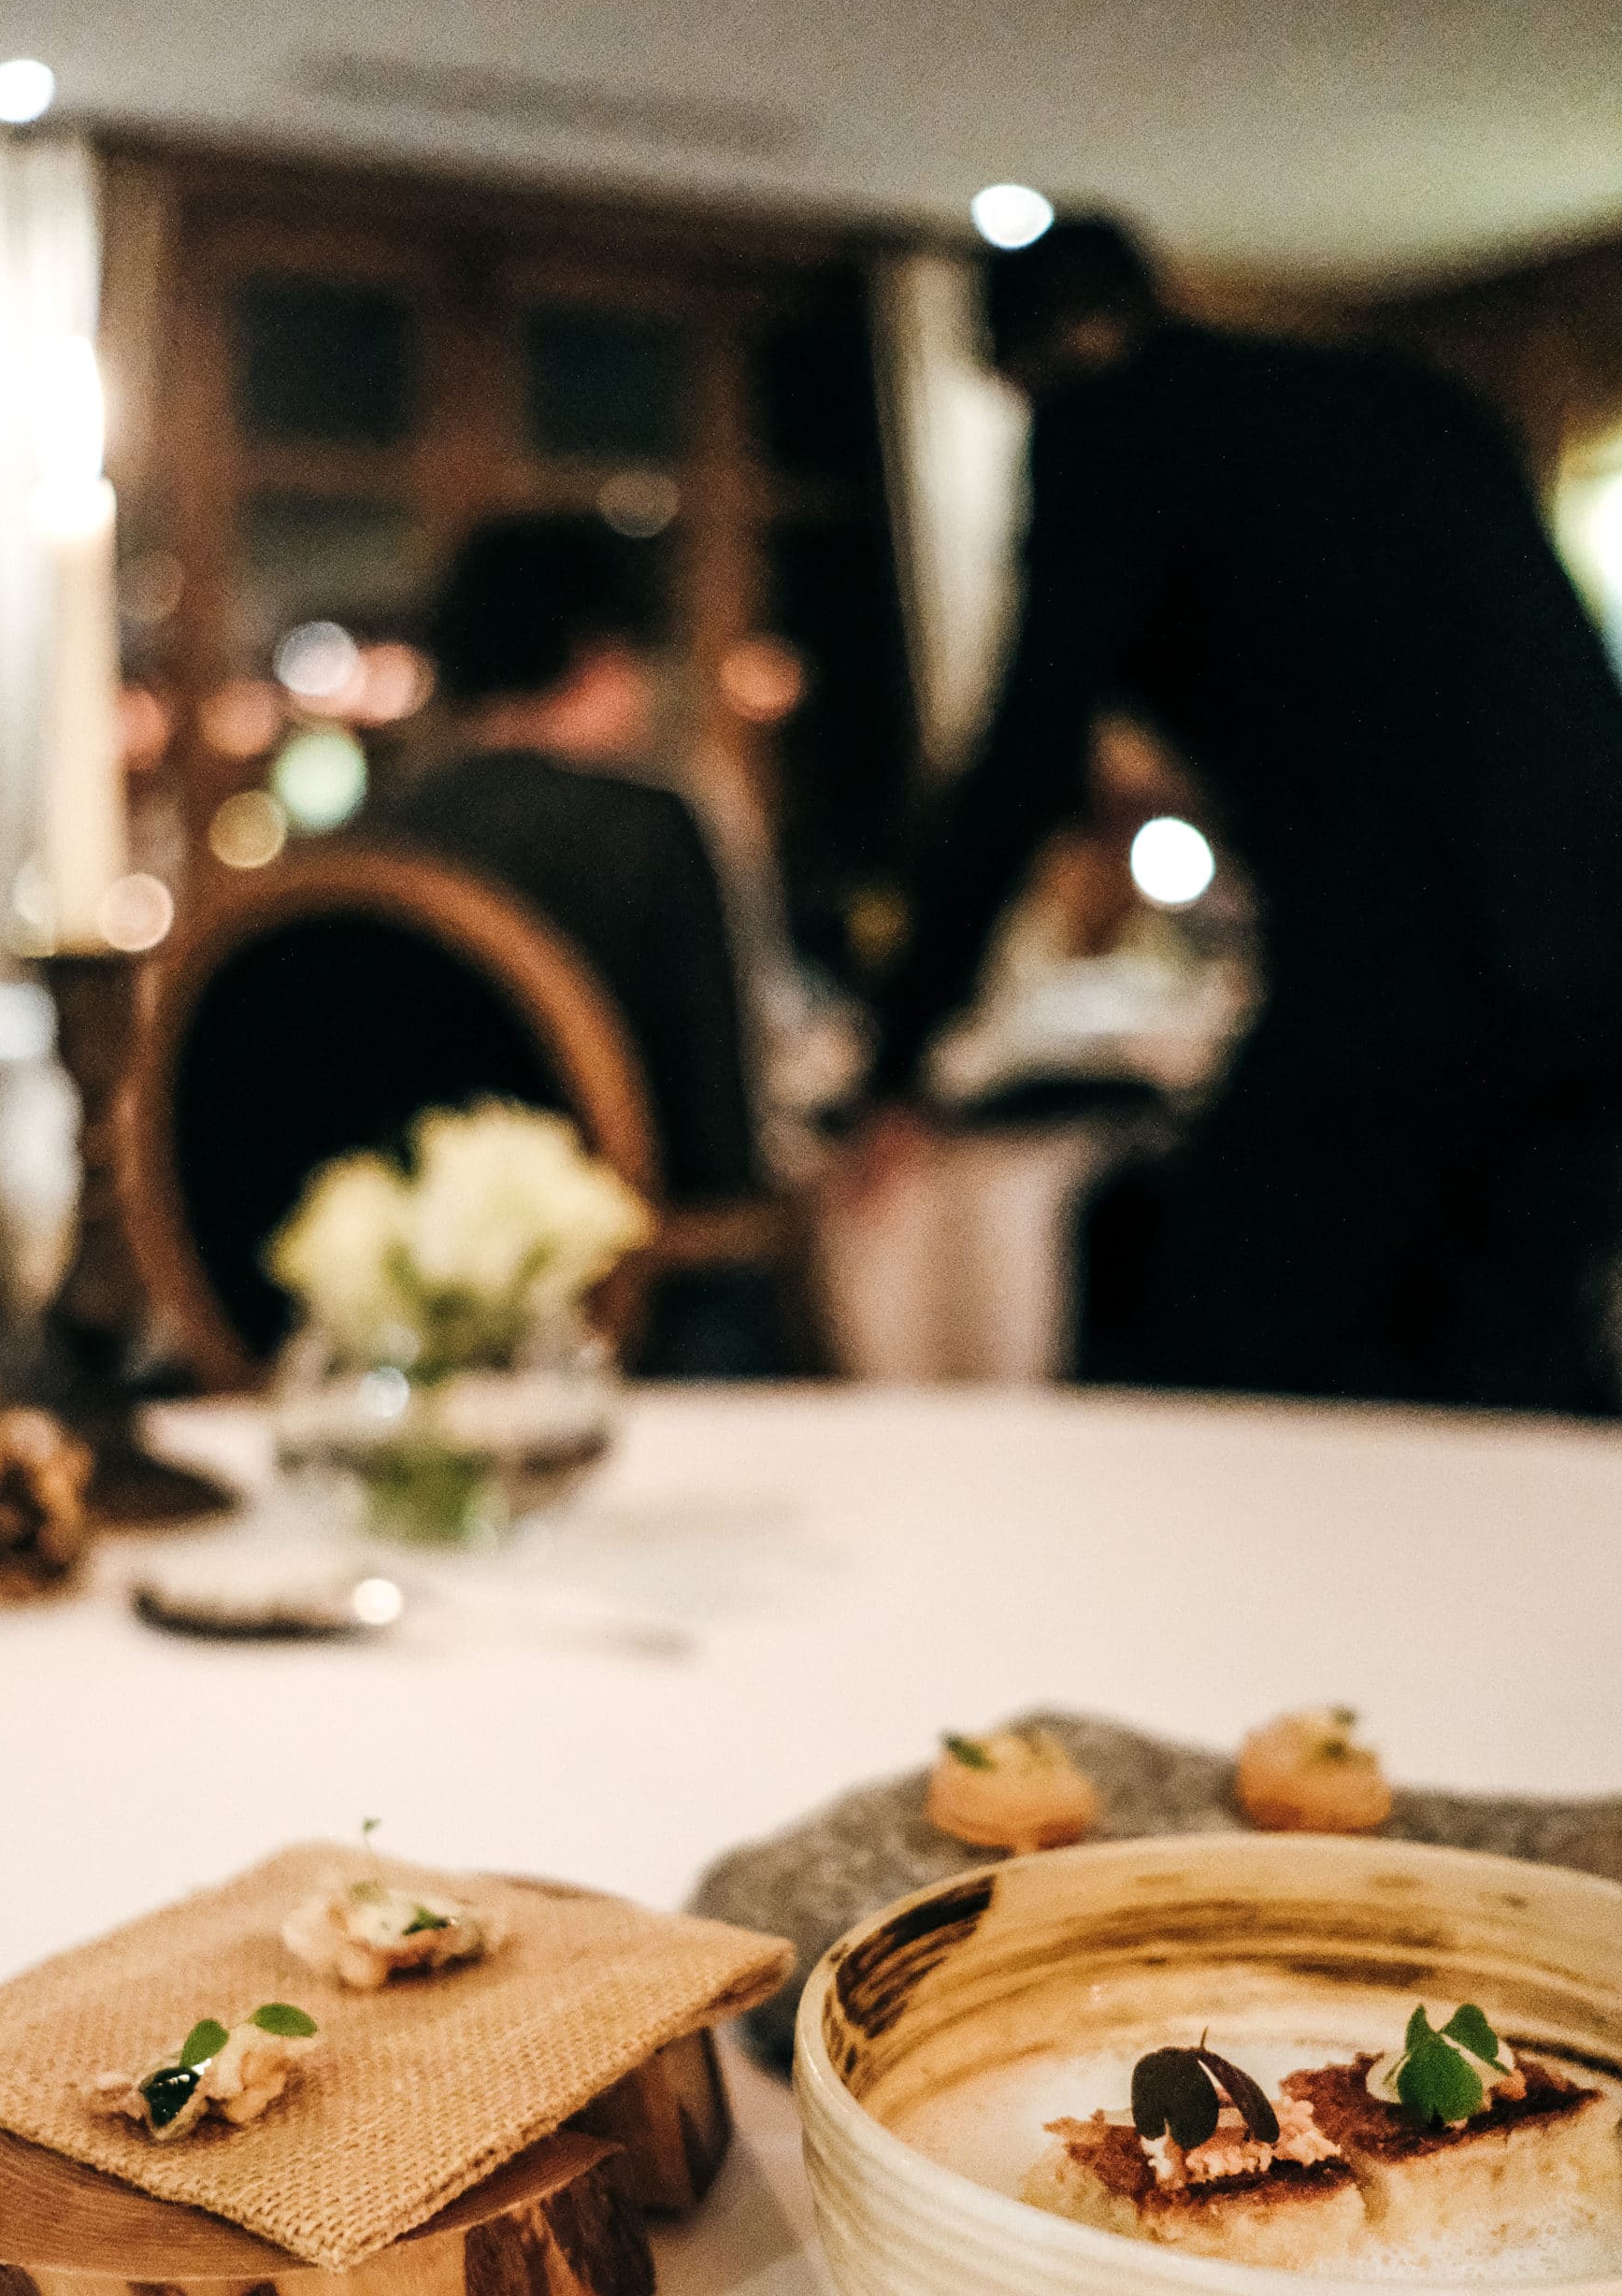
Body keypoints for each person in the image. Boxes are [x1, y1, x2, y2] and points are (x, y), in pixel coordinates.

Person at [867, 215, 1622, 1412]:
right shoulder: (1399, 396)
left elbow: (1022, 761)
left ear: (1029, 355)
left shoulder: (1111, 425)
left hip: (1409, 952)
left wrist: (893, 1067)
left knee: (1209, 1338)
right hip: (1592, 939)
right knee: (1505, 1356)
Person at [386, 513, 776, 1373]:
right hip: (631, 1333)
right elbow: (720, 1152)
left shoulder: (368, 845)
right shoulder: (651, 832)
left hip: (406, 1329)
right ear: (599, 655)